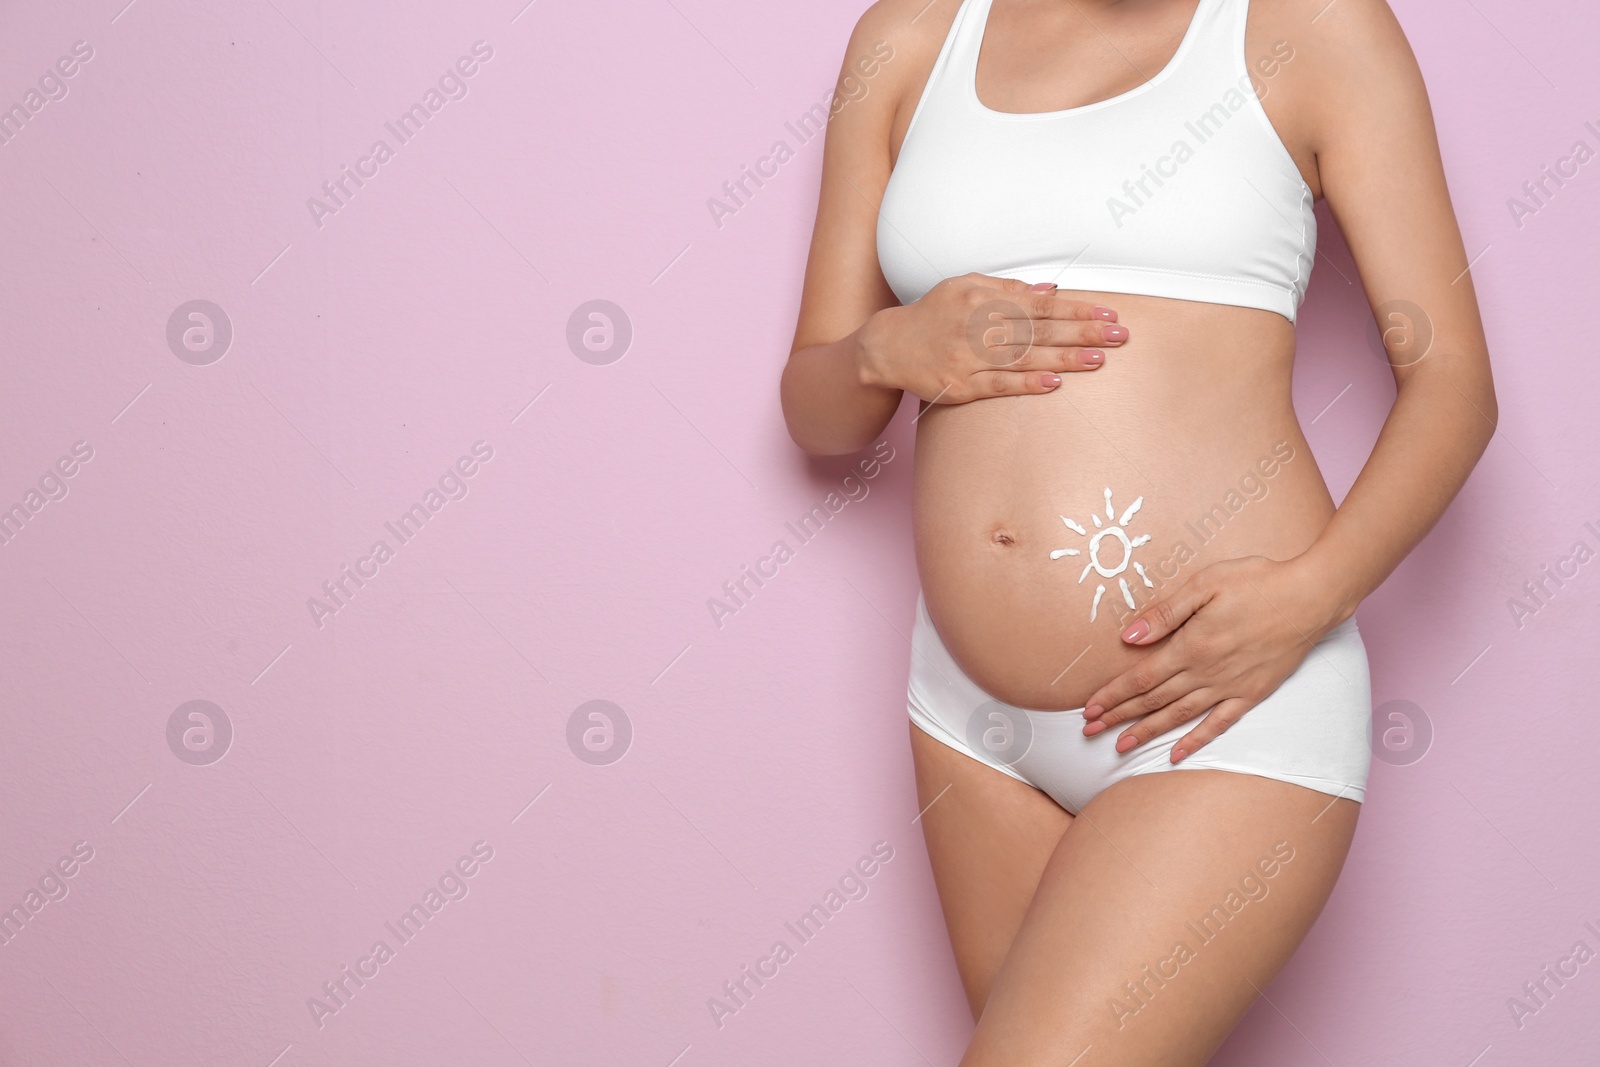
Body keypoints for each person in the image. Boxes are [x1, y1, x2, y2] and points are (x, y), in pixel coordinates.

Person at [779, 0, 1496, 1062]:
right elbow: (817, 411)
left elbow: (1451, 384)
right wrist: (888, 345)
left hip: (1218, 707)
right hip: (970, 726)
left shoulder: (1311, 29)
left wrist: (1316, 590)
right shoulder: (908, 38)